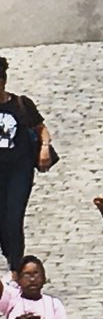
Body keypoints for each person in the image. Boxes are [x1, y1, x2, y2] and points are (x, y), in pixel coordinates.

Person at [0, 58, 54, 271]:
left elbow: (41, 128)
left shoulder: (21, 104)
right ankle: (9, 252)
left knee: (14, 218)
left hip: (18, 170)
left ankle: (15, 268)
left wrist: (44, 148)